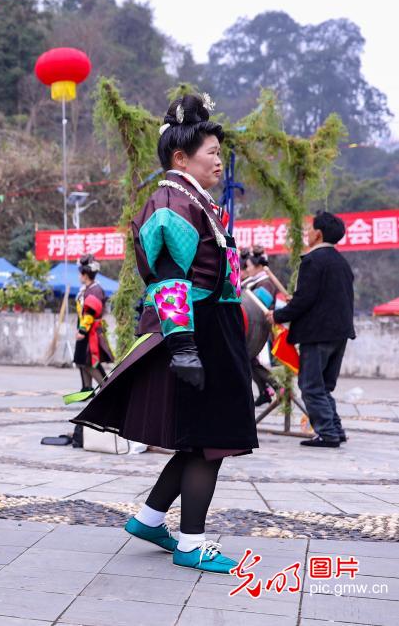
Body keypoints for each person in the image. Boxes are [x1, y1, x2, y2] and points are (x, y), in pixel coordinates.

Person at [72, 93, 258, 574]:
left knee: (199, 439)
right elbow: (170, 278)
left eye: (220, 151)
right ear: (180, 157)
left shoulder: (195, 200)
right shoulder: (173, 200)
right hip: (198, 333)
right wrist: (184, 347)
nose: (219, 160)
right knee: (209, 441)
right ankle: (192, 543)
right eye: (211, 152)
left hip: (211, 330)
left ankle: (150, 518)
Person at [267, 211, 355, 448]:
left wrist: (277, 315)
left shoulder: (314, 260)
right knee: (324, 386)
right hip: (339, 334)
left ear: (317, 234)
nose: (306, 232)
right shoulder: (341, 262)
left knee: (311, 386)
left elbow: (304, 300)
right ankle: (335, 429)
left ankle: (327, 433)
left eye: (309, 229)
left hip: (317, 334)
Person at [70, 253, 114, 448]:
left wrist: (82, 330)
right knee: (81, 361)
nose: (79, 275)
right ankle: (87, 390)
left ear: (85, 274)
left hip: (90, 333)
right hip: (86, 331)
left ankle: (106, 388)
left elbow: (90, 312)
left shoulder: (95, 290)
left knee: (90, 361)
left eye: (80, 272)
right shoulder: (87, 288)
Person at [241, 247, 280, 406]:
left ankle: (278, 387)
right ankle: (265, 391)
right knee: (250, 362)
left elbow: (258, 305)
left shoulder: (266, 283)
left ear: (258, 267)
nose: (247, 269)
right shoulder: (253, 282)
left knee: (251, 362)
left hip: (261, 329)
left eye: (249, 266)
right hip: (253, 329)